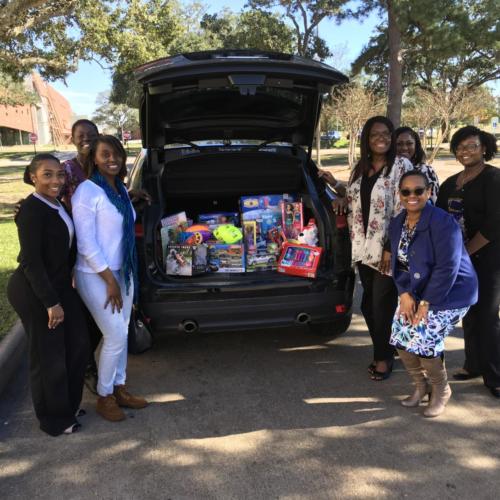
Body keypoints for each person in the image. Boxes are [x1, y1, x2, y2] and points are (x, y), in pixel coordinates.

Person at [7, 154, 89, 436]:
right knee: (48, 355)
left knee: (78, 343)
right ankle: (54, 419)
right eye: (47, 175)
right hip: (35, 291)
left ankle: (67, 404)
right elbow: (31, 261)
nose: (56, 180)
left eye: (59, 175)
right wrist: (50, 303)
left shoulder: (56, 204)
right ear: (33, 177)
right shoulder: (31, 210)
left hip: (60, 285)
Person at [389, 171, 478, 417]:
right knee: (400, 338)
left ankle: (441, 389)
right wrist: (404, 293)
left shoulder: (442, 222)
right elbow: (400, 264)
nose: (412, 196)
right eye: (406, 191)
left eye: (419, 190)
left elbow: (446, 268)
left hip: (450, 292)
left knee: (424, 340)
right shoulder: (398, 222)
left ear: (429, 192)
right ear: (400, 194)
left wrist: (426, 302)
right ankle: (421, 386)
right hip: (416, 290)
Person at [72, 135, 148, 421]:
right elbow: (87, 244)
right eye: (105, 154)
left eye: (116, 154)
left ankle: (119, 387)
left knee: (123, 330)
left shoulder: (120, 190)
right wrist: (110, 280)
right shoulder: (87, 192)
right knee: (114, 333)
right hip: (95, 273)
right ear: (94, 158)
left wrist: (119, 276)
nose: (112, 159)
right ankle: (104, 397)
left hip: (122, 270)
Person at [346, 116, 414, 380]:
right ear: (366, 138)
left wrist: (390, 248)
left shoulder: (400, 165)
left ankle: (383, 358)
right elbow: (355, 199)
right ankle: (388, 347)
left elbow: (404, 209)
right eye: (375, 134)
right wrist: (340, 195)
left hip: (389, 250)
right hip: (363, 249)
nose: (381, 138)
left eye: (386, 133)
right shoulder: (359, 167)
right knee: (368, 305)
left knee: (381, 305)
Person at [436, 126, 500, 399]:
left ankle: (495, 374)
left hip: (487, 258)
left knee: (486, 315)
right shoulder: (451, 182)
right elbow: (438, 218)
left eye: (472, 146)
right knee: (470, 314)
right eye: (460, 147)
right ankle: (473, 365)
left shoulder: (494, 178)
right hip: (457, 261)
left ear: (484, 148)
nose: (466, 151)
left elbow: (495, 222)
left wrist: (468, 252)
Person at [394, 126, 439, 203]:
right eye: (399, 144)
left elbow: (434, 200)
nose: (404, 148)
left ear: (416, 146)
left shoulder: (427, 171)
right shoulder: (387, 171)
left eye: (409, 143)